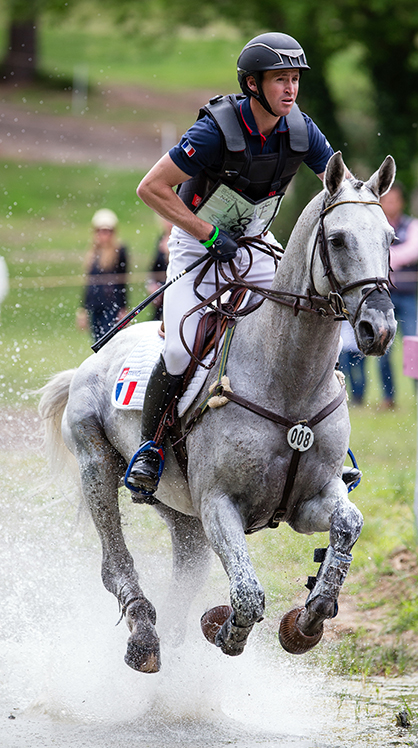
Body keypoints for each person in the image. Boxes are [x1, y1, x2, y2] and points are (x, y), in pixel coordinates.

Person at [126, 32, 336, 495]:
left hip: (257, 244)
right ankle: (151, 448)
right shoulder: (214, 131)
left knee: (311, 315)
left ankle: (331, 447)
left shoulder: (302, 129)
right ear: (253, 84)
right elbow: (150, 188)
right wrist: (207, 233)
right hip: (197, 248)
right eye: (280, 79)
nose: (291, 89)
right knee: (181, 349)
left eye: (295, 79)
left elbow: (339, 184)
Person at [377, 182, 418, 409]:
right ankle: (389, 398)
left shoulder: (414, 225)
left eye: (394, 200)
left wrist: (388, 258)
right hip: (383, 295)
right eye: (386, 200)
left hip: (407, 295)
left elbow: (415, 249)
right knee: (382, 347)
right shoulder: (375, 224)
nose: (391, 204)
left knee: (414, 343)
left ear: (402, 202)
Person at [80, 209, 129, 343]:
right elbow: (89, 284)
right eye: (100, 231)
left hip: (111, 305)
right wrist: (83, 308)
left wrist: (123, 308)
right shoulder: (93, 253)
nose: (104, 235)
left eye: (107, 231)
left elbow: (122, 282)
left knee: (108, 340)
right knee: (96, 341)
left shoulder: (119, 251)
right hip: (95, 305)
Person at [146, 220, 172, 321]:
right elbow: (154, 267)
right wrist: (152, 285)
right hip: (160, 289)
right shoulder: (160, 239)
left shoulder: (180, 240)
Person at [338, 321, 365, 405]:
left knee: (358, 373)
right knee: (346, 372)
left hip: (358, 347)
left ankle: (358, 396)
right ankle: (345, 395)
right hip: (346, 346)